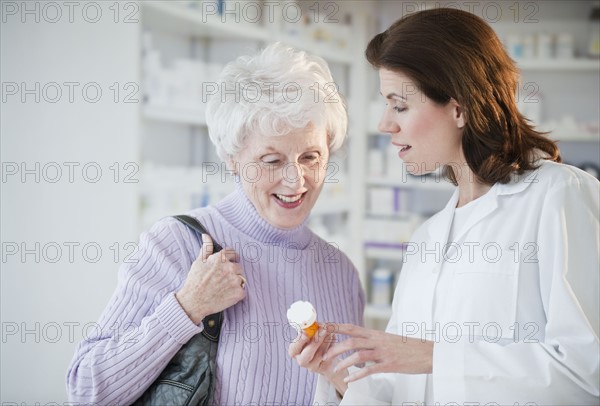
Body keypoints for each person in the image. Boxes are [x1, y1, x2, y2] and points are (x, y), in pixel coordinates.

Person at [290, 8, 599, 405]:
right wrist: (341, 377)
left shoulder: (559, 196)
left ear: (459, 107)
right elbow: (406, 390)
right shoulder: (428, 236)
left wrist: (434, 355)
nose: (385, 124)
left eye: (399, 105)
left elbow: (586, 372)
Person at [66, 42, 365, 405]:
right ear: (232, 158)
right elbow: (86, 390)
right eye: (271, 160)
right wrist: (187, 306)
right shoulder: (178, 244)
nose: (296, 180)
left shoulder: (341, 274)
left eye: (310, 156)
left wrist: (342, 384)